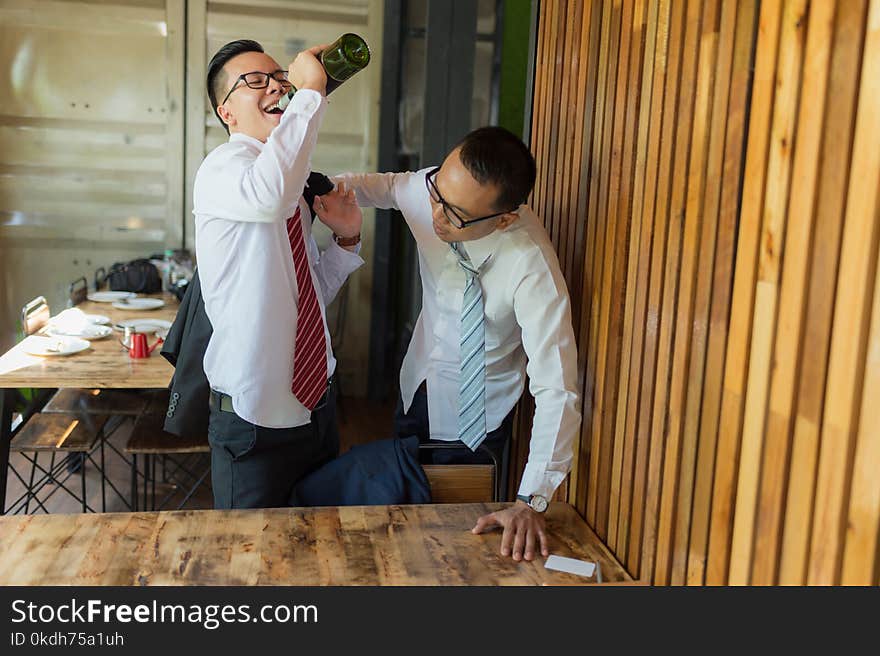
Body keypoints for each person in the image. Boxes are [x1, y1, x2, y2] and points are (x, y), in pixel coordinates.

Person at [324, 126, 580, 562]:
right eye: (436, 196)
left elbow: (557, 385)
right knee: (401, 530)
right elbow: (377, 186)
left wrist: (533, 499)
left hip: (477, 423)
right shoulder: (435, 193)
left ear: (504, 218)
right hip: (416, 385)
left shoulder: (531, 264)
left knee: (459, 550)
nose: (437, 216)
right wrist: (299, 192)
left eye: (455, 215)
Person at [193, 39, 364, 509]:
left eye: (279, 78)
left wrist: (346, 240)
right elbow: (268, 194)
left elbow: (305, 296)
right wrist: (310, 92)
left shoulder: (288, 181)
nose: (275, 86)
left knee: (318, 554)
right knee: (249, 569)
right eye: (255, 81)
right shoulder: (223, 169)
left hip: (317, 406)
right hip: (254, 421)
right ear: (226, 112)